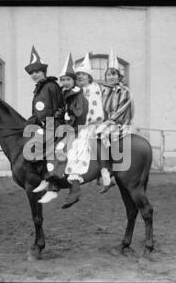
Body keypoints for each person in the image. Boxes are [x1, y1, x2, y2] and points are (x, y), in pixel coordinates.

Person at [34, 52, 89, 204]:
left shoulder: (78, 95)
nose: (65, 82)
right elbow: (62, 109)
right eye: (63, 79)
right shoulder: (65, 93)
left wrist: (65, 116)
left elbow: (77, 113)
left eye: (68, 79)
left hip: (76, 129)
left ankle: (55, 188)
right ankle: (47, 179)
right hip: (66, 128)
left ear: (74, 81)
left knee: (60, 149)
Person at [60, 53, 106, 208]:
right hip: (77, 125)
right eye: (78, 74)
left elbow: (94, 111)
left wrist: (80, 125)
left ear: (89, 77)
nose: (80, 76)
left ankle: (75, 185)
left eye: (83, 74)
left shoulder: (93, 90)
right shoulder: (77, 91)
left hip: (91, 124)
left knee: (77, 147)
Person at [96, 48, 135, 193]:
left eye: (114, 74)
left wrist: (111, 120)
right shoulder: (104, 91)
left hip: (120, 122)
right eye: (108, 74)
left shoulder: (124, 91)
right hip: (107, 122)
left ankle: (109, 169)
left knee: (103, 134)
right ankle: (99, 169)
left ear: (119, 77)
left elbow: (124, 108)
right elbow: (101, 108)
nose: (111, 77)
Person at [24, 45, 64, 178]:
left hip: (55, 124)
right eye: (31, 73)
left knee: (39, 146)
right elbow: (36, 113)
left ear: (43, 72)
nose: (34, 75)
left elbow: (60, 105)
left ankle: (50, 177)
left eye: (37, 72)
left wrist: (52, 122)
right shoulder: (38, 90)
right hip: (43, 126)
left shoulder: (51, 86)